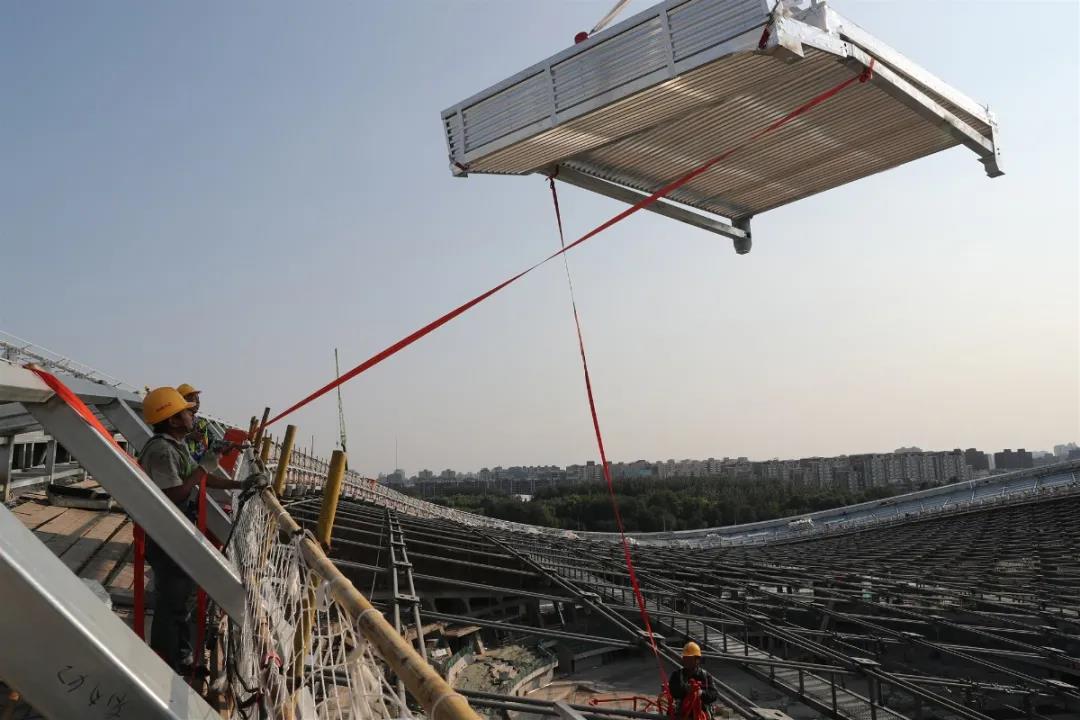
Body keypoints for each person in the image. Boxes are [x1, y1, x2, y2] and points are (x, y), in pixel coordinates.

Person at [138, 386, 263, 671]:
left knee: (180, 599)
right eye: (186, 411)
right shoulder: (161, 450)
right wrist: (205, 466)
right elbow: (174, 494)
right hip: (166, 535)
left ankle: (180, 656)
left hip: (175, 530)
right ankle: (166, 662)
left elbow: (199, 479)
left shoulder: (175, 445)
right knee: (172, 601)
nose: (192, 414)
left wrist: (239, 483)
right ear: (173, 420)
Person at [668, 642, 718, 720]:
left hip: (702, 714)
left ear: (697, 660)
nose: (686, 661)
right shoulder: (677, 675)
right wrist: (686, 689)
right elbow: (673, 691)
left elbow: (714, 694)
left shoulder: (705, 676)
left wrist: (701, 693)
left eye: (689, 659)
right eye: (685, 658)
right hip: (681, 714)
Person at [176, 382, 210, 460]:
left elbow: (205, 446)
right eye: (193, 399)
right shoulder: (175, 419)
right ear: (182, 400)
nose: (197, 402)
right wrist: (189, 436)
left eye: (198, 399)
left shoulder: (201, 422)